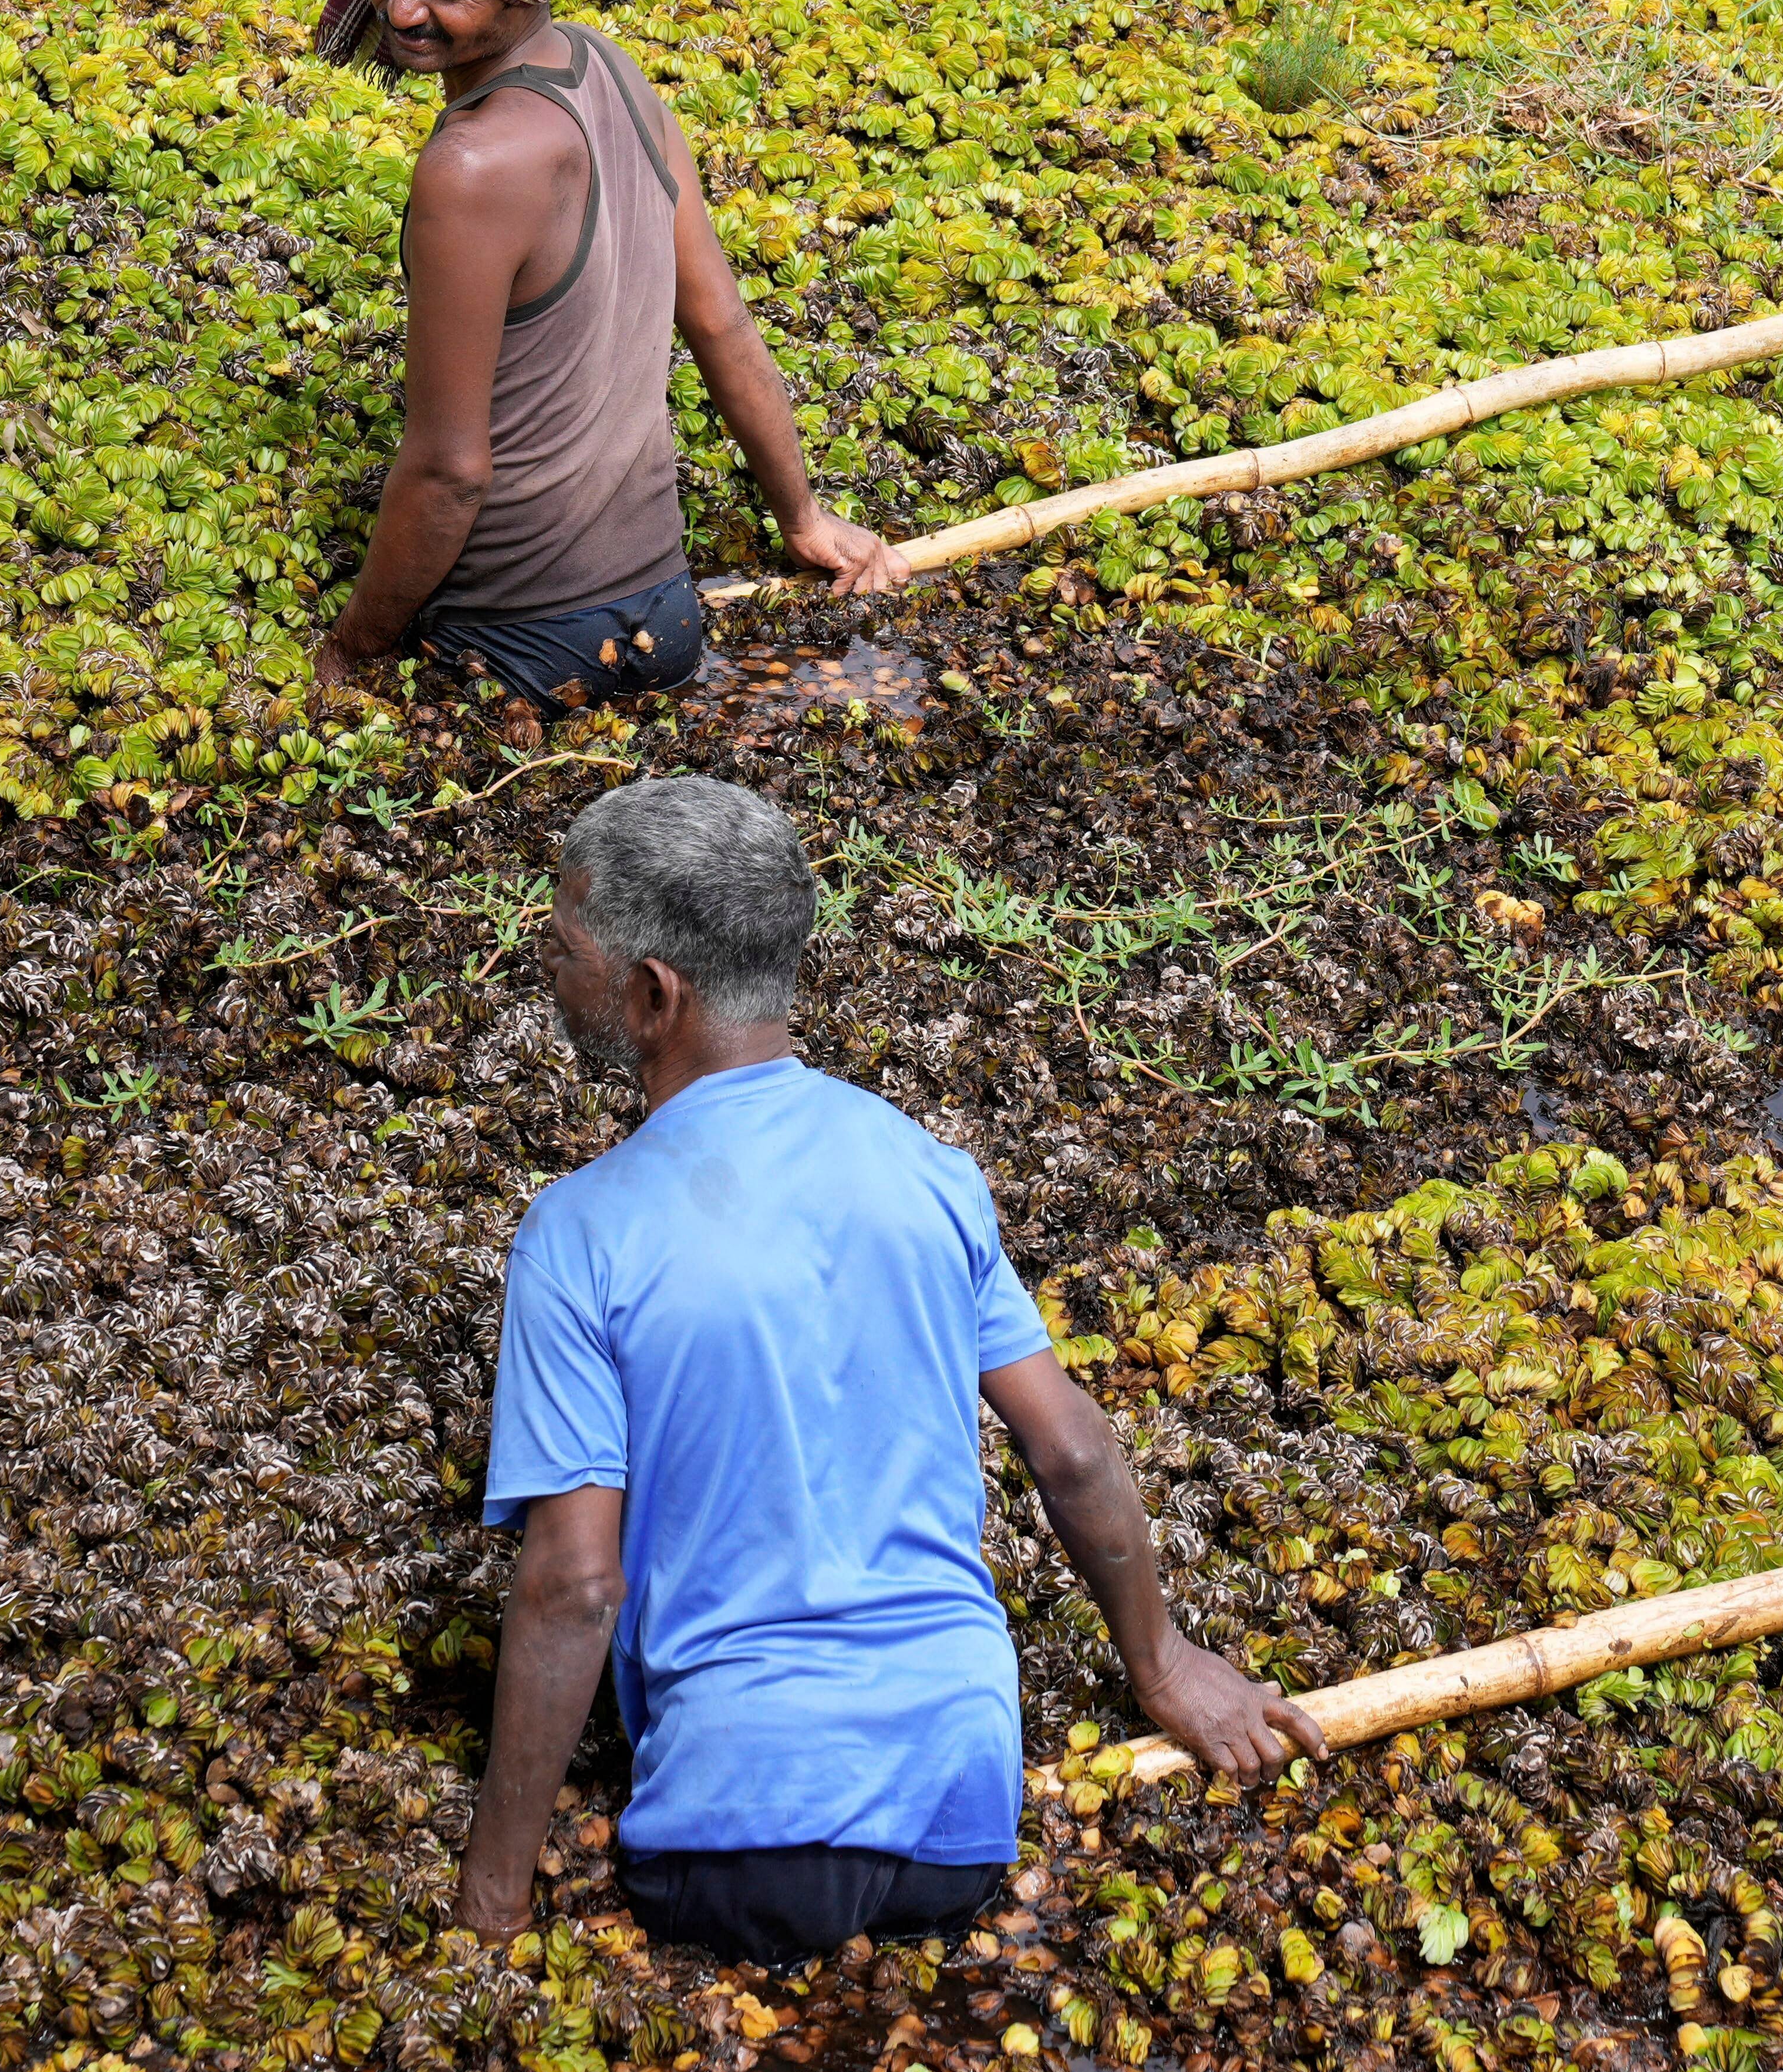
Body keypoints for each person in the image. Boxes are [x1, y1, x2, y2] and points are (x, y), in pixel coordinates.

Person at [460, 776, 1324, 1964]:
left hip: (737, 1837)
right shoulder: (925, 1167)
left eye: (563, 948)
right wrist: (1162, 1661)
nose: (546, 970)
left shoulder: (578, 1233)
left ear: (651, 994)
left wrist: (492, 1895)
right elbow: (1067, 1445)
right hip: (961, 1818)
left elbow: (573, 1582)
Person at [306, 0, 904, 712]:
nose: (399, 8)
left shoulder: (471, 167)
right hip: (665, 616)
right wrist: (803, 518)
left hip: (518, 646)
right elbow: (721, 322)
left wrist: (350, 652)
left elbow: (450, 471)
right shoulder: (610, 69)